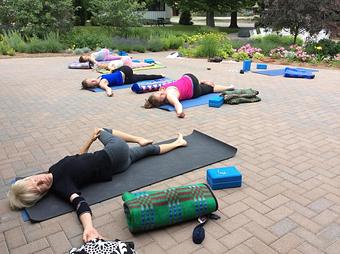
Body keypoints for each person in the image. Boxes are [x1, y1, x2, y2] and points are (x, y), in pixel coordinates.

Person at [8, 128, 187, 242]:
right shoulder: (61, 187)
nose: (40, 181)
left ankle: (179, 142)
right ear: (41, 194)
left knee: (149, 151)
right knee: (102, 129)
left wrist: (90, 140)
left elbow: (77, 158)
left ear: (30, 176)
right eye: (39, 187)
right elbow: (79, 203)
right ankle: (139, 138)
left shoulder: (52, 169)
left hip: (120, 165)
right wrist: (88, 227)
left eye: (34, 180)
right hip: (114, 153)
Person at [144, 73, 235, 118]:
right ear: (162, 101)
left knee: (207, 88)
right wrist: (179, 113)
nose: (161, 93)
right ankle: (228, 87)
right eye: (160, 96)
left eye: (157, 93)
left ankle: (202, 83)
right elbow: (177, 104)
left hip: (187, 78)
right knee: (210, 89)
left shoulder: (162, 90)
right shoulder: (170, 96)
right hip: (193, 88)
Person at [81, 66, 164, 97]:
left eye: (90, 79)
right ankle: (160, 76)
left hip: (123, 73)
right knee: (144, 77)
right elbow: (108, 89)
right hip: (126, 74)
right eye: (91, 82)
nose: (93, 80)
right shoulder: (102, 83)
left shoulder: (99, 77)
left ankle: (160, 75)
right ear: (93, 86)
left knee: (113, 70)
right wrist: (109, 93)